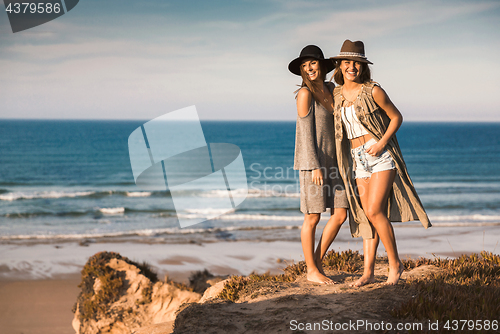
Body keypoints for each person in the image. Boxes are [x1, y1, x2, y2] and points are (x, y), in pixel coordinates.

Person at [330, 40, 431, 286]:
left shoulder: (373, 90)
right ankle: (368, 273)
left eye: (357, 62)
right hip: (357, 159)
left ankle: (395, 265)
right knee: (368, 216)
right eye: (347, 62)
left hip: (380, 155)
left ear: (363, 66)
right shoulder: (337, 94)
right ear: (340, 66)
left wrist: (382, 143)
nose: (352, 66)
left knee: (375, 211)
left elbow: (396, 117)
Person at [289, 45, 349, 284]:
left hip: (337, 163)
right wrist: (314, 166)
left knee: (341, 214)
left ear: (322, 65)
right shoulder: (305, 94)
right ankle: (312, 271)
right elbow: (305, 134)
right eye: (304, 66)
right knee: (312, 217)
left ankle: (315, 262)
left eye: (312, 63)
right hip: (313, 164)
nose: (309, 68)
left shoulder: (333, 89)